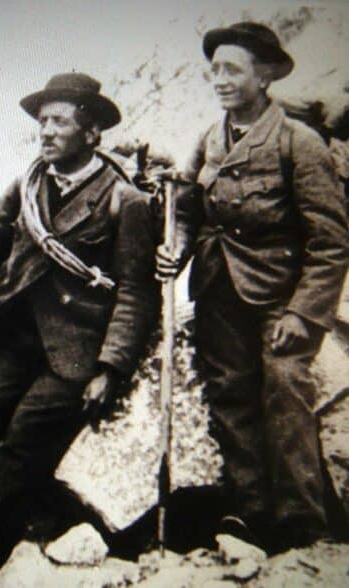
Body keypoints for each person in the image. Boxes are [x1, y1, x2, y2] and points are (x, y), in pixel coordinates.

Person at [0, 72, 161, 587]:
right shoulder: (27, 186)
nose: (46, 131)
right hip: (13, 339)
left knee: (21, 448)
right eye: (42, 121)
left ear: (91, 133)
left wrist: (111, 367)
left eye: (60, 121)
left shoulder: (123, 201)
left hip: (74, 351)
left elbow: (136, 291)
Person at [156, 22, 348, 552]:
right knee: (230, 396)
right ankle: (250, 514)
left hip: (281, 299)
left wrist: (304, 314)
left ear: (264, 77)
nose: (219, 79)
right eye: (214, 70)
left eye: (232, 69)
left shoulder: (298, 142)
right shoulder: (208, 139)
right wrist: (176, 244)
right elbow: (189, 209)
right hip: (218, 290)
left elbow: (331, 243)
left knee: (285, 387)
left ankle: (303, 523)